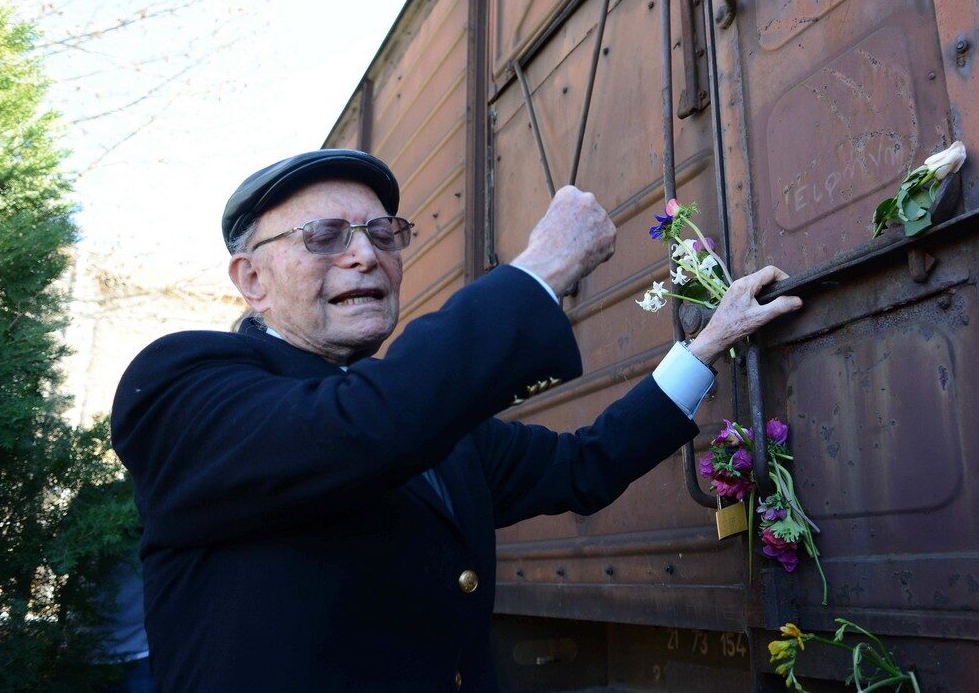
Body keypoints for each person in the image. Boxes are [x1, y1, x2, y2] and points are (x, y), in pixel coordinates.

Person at [111, 148, 801, 692]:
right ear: (252, 282)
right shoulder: (179, 385)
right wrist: (540, 270)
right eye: (324, 236)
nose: (366, 253)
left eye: (383, 233)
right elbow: (357, 430)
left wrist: (704, 348)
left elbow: (583, 465)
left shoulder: (439, 430)